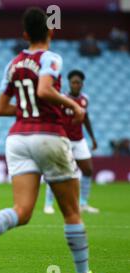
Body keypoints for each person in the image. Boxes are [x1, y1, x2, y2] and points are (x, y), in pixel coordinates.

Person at [0, 7, 109, 273]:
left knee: (22, 210)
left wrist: (28, 110)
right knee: (72, 212)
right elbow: (43, 90)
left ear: (25, 34)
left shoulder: (13, 63)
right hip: (49, 136)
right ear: (51, 31)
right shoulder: (51, 58)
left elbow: (1, 108)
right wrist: (73, 105)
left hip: (17, 139)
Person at [44, 70, 99, 214]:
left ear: (82, 84)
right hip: (63, 139)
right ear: (69, 83)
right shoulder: (61, 98)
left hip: (79, 140)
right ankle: (48, 204)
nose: (76, 85)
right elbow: (54, 117)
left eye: (78, 82)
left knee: (88, 170)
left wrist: (92, 138)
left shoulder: (84, 99)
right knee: (56, 171)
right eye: (73, 82)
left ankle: (83, 203)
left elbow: (85, 118)